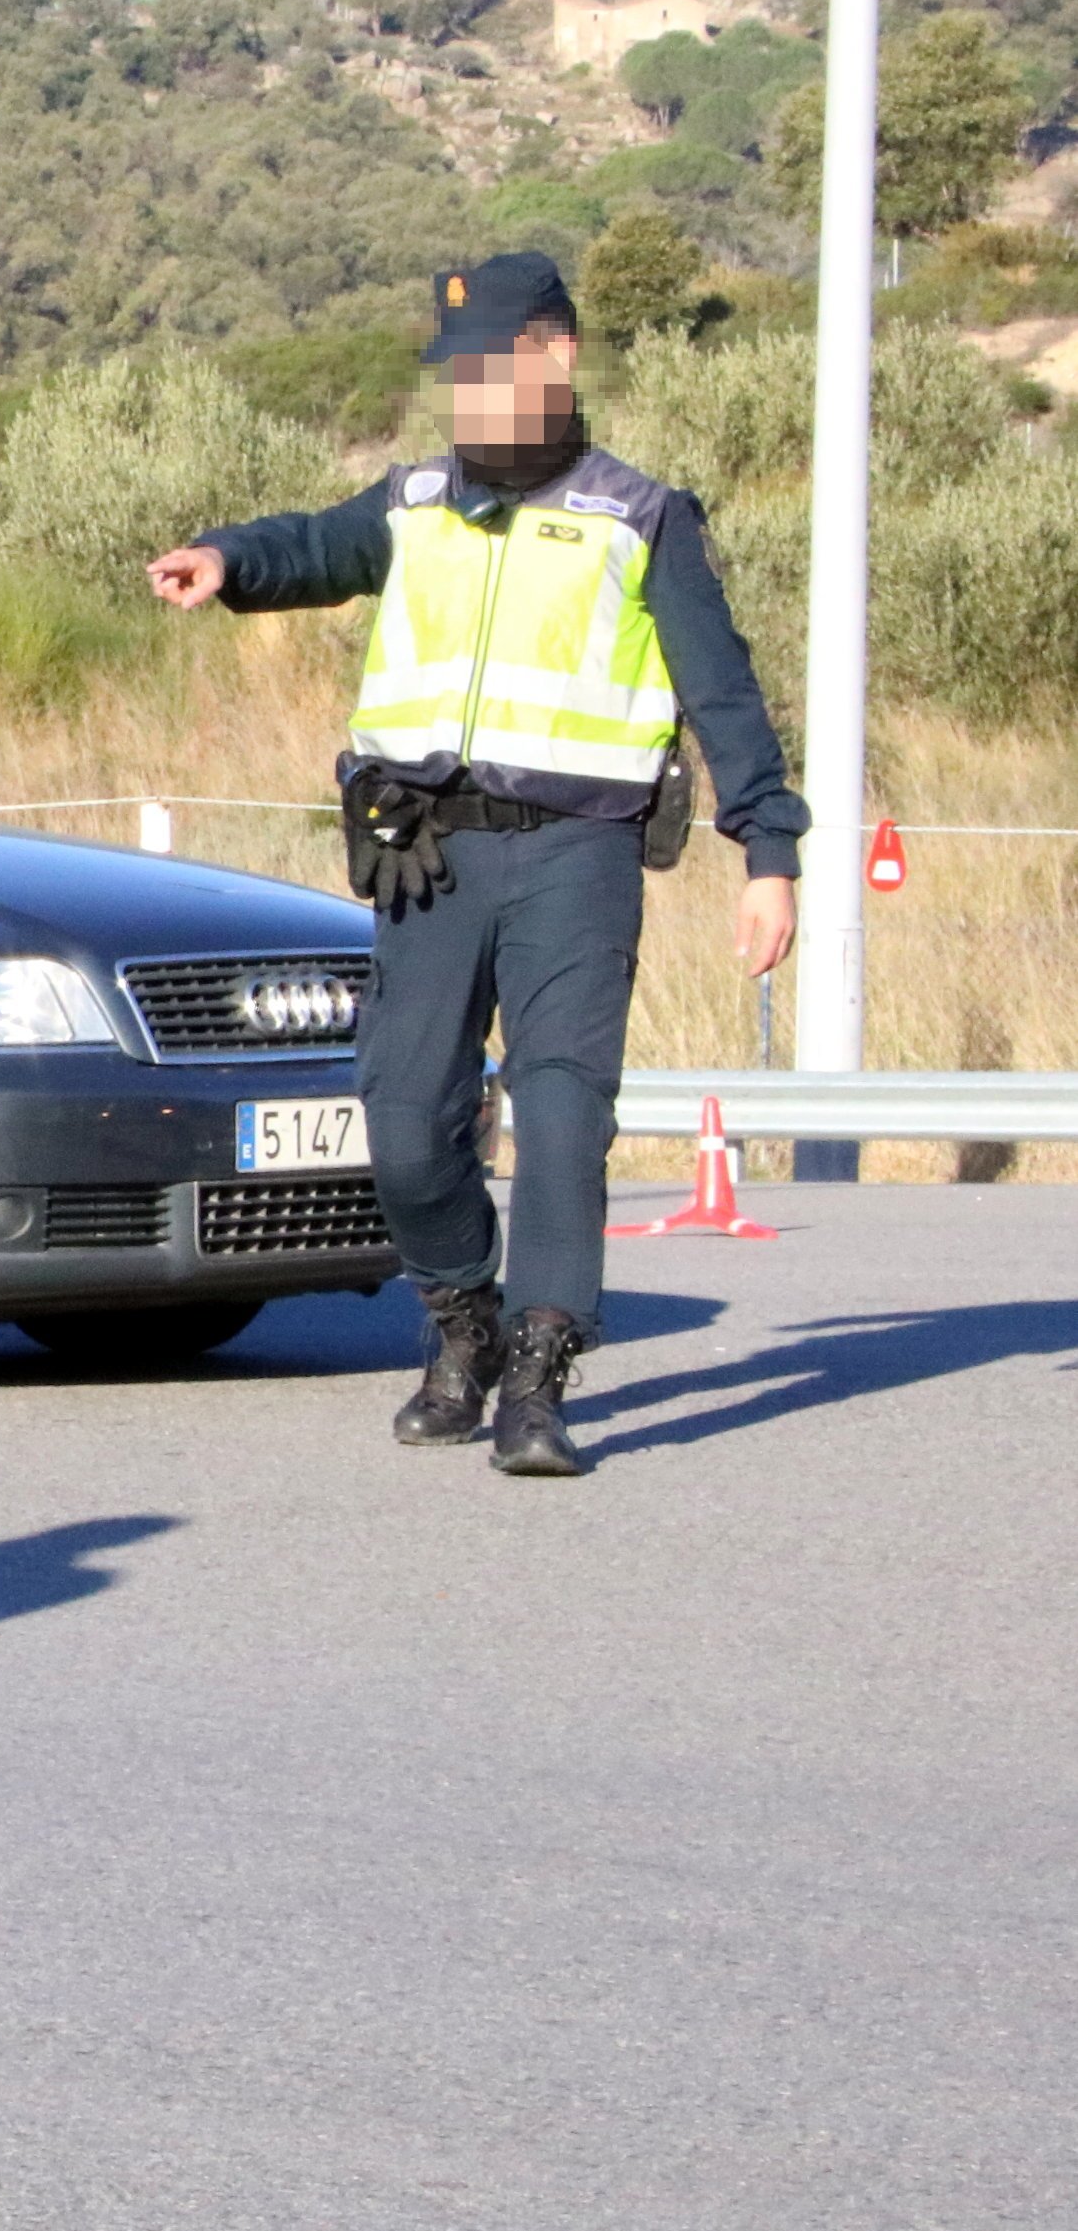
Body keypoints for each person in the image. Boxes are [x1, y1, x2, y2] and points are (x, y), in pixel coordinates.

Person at [147, 251, 807, 1477]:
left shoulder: (641, 517)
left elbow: (726, 696)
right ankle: (463, 1320)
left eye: (491, 371)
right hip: (428, 857)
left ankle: (541, 1379)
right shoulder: (412, 504)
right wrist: (229, 558)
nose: (468, 400)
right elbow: (314, 545)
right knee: (404, 1125)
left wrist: (768, 849)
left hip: (577, 854)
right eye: (455, 378)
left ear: (556, 358)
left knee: (562, 1115)